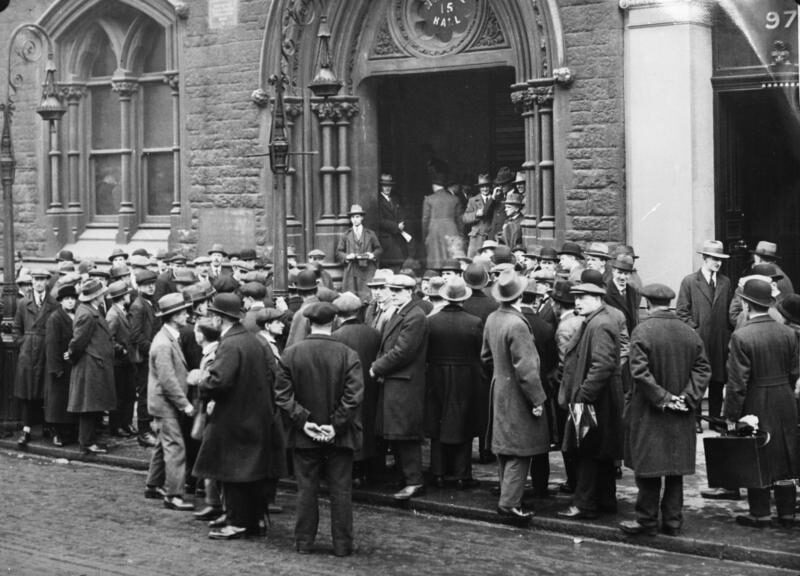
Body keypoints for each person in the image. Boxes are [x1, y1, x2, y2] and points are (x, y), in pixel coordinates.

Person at [619, 284, 710, 537]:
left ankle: (646, 521)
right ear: (669, 303)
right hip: (682, 412)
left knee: (649, 469)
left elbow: (638, 372)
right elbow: (703, 369)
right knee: (675, 469)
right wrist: (686, 397)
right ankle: (672, 521)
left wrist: (664, 398)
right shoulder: (689, 332)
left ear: (647, 303)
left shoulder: (643, 331)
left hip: (650, 411)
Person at [277, 302, 364, 556]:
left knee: (306, 490)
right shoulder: (348, 354)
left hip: (304, 436)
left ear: (308, 323)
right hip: (340, 435)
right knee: (341, 490)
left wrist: (304, 421)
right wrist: (334, 424)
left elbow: (282, 397)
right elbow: (354, 397)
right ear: (334, 322)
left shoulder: (291, 353)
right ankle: (342, 545)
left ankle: (304, 542)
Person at [193, 293, 276, 540]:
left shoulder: (229, 344)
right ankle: (255, 519)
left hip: (234, 417)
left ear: (220, 318)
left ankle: (238, 522)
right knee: (251, 473)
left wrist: (201, 381)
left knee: (232, 472)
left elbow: (219, 381)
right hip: (255, 415)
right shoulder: (252, 339)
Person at [723, 278, 799, 527]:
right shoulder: (788, 332)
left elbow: (737, 382)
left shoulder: (742, 336)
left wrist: (732, 415)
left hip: (757, 397)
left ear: (746, 303)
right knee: (785, 453)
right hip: (785, 398)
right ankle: (787, 513)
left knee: (759, 452)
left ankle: (760, 513)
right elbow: (794, 370)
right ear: (768, 304)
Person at [481, 269, 547, 521]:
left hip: (499, 388)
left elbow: (485, 357)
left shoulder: (493, 318)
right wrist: (538, 399)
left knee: (505, 447)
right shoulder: (517, 324)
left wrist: (501, 375)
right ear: (521, 296)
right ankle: (509, 503)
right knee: (521, 449)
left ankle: (507, 497)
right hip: (519, 394)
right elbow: (527, 370)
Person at [558, 279, 623, 520]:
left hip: (593, 400)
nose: (577, 302)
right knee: (601, 450)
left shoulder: (600, 324)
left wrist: (583, 395)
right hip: (599, 399)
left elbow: (602, 364)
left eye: (582, 297)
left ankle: (584, 504)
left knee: (586, 450)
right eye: (575, 298)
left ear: (597, 299)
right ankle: (606, 501)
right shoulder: (598, 320)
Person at [369, 274, 429, 500]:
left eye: (397, 290)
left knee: (405, 433)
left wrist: (377, 367)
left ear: (409, 292)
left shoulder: (415, 316)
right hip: (397, 380)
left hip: (404, 382)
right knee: (397, 431)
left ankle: (414, 481)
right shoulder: (401, 312)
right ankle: (407, 477)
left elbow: (403, 351)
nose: (392, 294)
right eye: (391, 289)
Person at [426, 276, 483, 490]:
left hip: (436, 375)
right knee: (464, 423)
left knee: (437, 423)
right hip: (465, 377)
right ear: (463, 299)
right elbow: (480, 351)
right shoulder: (474, 321)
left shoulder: (431, 321)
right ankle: (462, 475)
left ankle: (438, 473)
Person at [676, 240, 732, 443]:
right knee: (698, 379)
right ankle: (696, 419)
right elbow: (681, 311)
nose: (718, 263)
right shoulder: (690, 281)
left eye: (720, 260)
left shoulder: (725, 282)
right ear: (705, 259)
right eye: (714, 259)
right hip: (698, 341)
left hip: (719, 339)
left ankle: (715, 418)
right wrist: (694, 330)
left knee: (718, 380)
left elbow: (728, 311)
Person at [145, 293, 196, 512]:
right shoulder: (164, 343)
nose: (187, 315)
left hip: (163, 403)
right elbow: (167, 380)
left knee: (161, 444)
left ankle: (153, 485)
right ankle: (174, 494)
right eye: (184, 312)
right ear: (174, 316)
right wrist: (185, 404)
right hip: (166, 403)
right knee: (175, 447)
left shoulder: (167, 338)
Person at [332, 292, 381, 487]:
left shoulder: (336, 337)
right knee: (369, 426)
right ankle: (371, 471)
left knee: (351, 430)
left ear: (338, 315)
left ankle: (354, 473)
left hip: (348, 390)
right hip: (371, 387)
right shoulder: (374, 333)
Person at [67, 279, 117, 455]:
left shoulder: (89, 311)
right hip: (90, 365)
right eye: (102, 293)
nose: (104, 295)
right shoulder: (87, 315)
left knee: (92, 404)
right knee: (88, 405)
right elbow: (78, 342)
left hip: (94, 364)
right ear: (96, 297)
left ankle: (89, 440)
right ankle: (86, 442)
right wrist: (73, 357)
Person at [14, 269, 58, 446]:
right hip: (28, 353)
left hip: (46, 351)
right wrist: (23, 342)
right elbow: (17, 328)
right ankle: (26, 430)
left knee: (47, 390)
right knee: (27, 391)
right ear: (32, 282)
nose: (39, 283)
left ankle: (49, 426)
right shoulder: (24, 303)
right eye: (36, 279)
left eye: (42, 279)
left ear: (47, 281)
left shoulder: (53, 304)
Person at [44, 283, 79, 447]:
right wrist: (55, 369)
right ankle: (57, 433)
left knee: (70, 400)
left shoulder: (76, 316)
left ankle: (70, 432)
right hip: (59, 366)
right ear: (61, 301)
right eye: (67, 299)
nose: (70, 302)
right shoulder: (55, 318)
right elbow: (51, 345)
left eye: (73, 299)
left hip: (73, 365)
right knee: (58, 402)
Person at [130, 268, 160, 448]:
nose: (150, 287)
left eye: (152, 284)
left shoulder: (150, 303)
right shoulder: (138, 306)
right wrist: (152, 349)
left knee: (150, 392)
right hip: (144, 357)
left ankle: (147, 426)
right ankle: (143, 431)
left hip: (151, 355)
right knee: (144, 394)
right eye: (146, 285)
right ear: (139, 287)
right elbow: (135, 336)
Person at [106, 280, 136, 438]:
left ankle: (127, 423)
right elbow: (108, 339)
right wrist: (121, 350)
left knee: (129, 394)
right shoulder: (113, 314)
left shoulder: (123, 311)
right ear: (122, 296)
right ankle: (116, 426)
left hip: (127, 361)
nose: (129, 296)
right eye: (127, 294)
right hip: (118, 363)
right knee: (119, 395)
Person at [337, 204, 382, 301]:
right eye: (352, 217)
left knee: (368, 298)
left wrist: (372, 255)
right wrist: (347, 256)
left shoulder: (370, 234)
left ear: (362, 218)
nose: (354, 219)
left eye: (357, 217)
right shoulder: (346, 235)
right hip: (352, 269)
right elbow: (339, 252)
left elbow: (379, 249)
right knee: (352, 298)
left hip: (368, 269)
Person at [422, 173, 463, 270]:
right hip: (452, 230)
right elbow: (460, 221)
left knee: (436, 262)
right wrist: (461, 236)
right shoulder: (455, 199)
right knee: (452, 261)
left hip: (434, 232)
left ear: (433, 186)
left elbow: (425, 220)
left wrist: (425, 237)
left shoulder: (429, 199)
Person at [464, 174, 500, 257]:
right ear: (479, 188)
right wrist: (476, 214)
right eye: (482, 186)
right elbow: (465, 218)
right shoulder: (473, 200)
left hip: (491, 235)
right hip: (477, 237)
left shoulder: (495, 199)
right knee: (475, 261)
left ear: (490, 187)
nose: (485, 189)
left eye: (487, 186)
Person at [377, 174, 408, 271]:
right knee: (391, 264)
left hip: (397, 238)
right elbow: (379, 220)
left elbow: (401, 213)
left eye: (389, 185)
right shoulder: (378, 200)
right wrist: (396, 226)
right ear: (381, 186)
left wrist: (402, 222)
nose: (387, 188)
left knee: (399, 262)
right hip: (386, 239)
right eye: (385, 185)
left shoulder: (395, 199)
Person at [285, 269, 320, 347]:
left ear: (298, 291)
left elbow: (294, 344)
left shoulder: (301, 313)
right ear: (316, 289)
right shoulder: (324, 307)